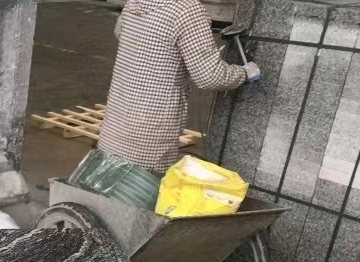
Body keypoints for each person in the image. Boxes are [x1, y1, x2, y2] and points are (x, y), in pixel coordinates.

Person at [98, 0, 260, 176]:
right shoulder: (187, 11)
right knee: (142, 186)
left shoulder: (135, 2)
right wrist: (244, 73)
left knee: (109, 180)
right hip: (150, 129)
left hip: (116, 118)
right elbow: (210, 76)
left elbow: (121, 32)